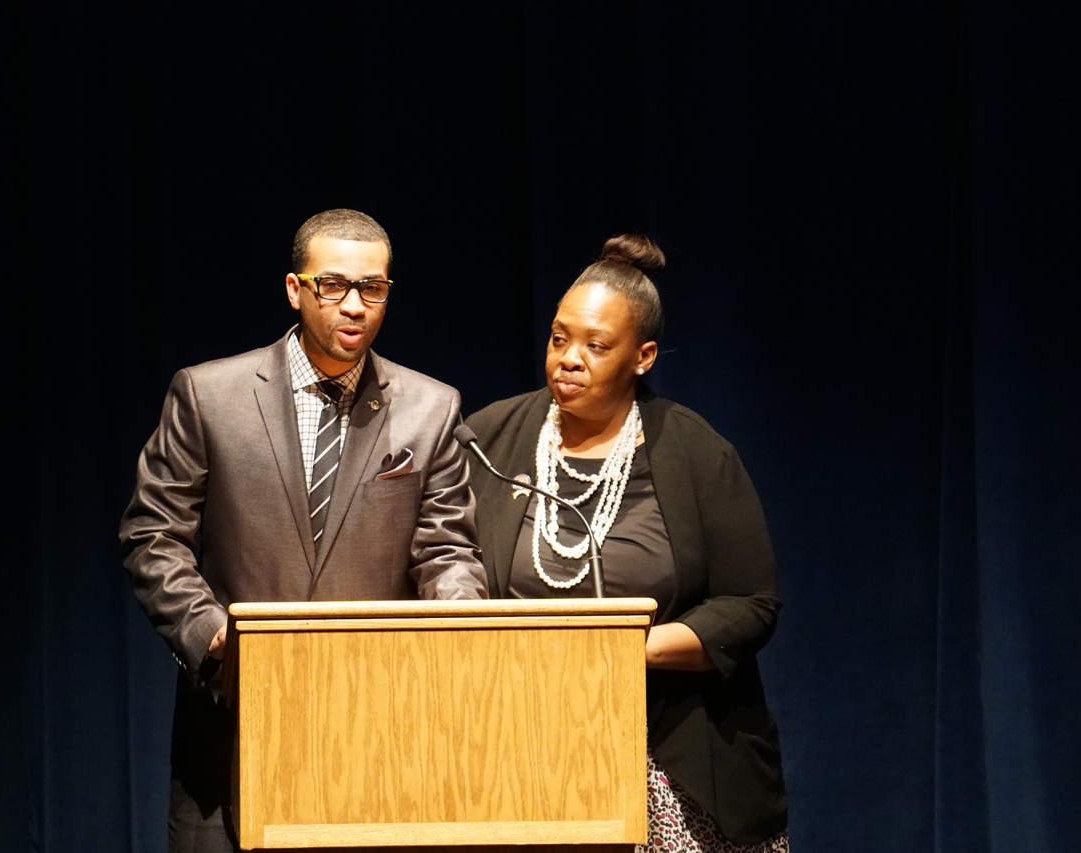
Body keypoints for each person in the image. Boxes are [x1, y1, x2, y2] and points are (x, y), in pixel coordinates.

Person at [120, 209, 488, 853]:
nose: (355, 306)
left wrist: (457, 634)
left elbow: (448, 550)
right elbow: (153, 537)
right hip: (235, 720)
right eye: (333, 286)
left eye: (372, 289)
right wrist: (214, 639)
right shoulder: (209, 395)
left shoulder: (432, 408)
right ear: (295, 289)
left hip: (379, 727)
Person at [464, 235, 788, 852]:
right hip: (521, 752)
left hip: (672, 757)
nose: (569, 359)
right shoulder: (490, 439)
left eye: (596, 345)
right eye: (560, 338)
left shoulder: (696, 452)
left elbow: (750, 604)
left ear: (643, 356)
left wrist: (620, 652)